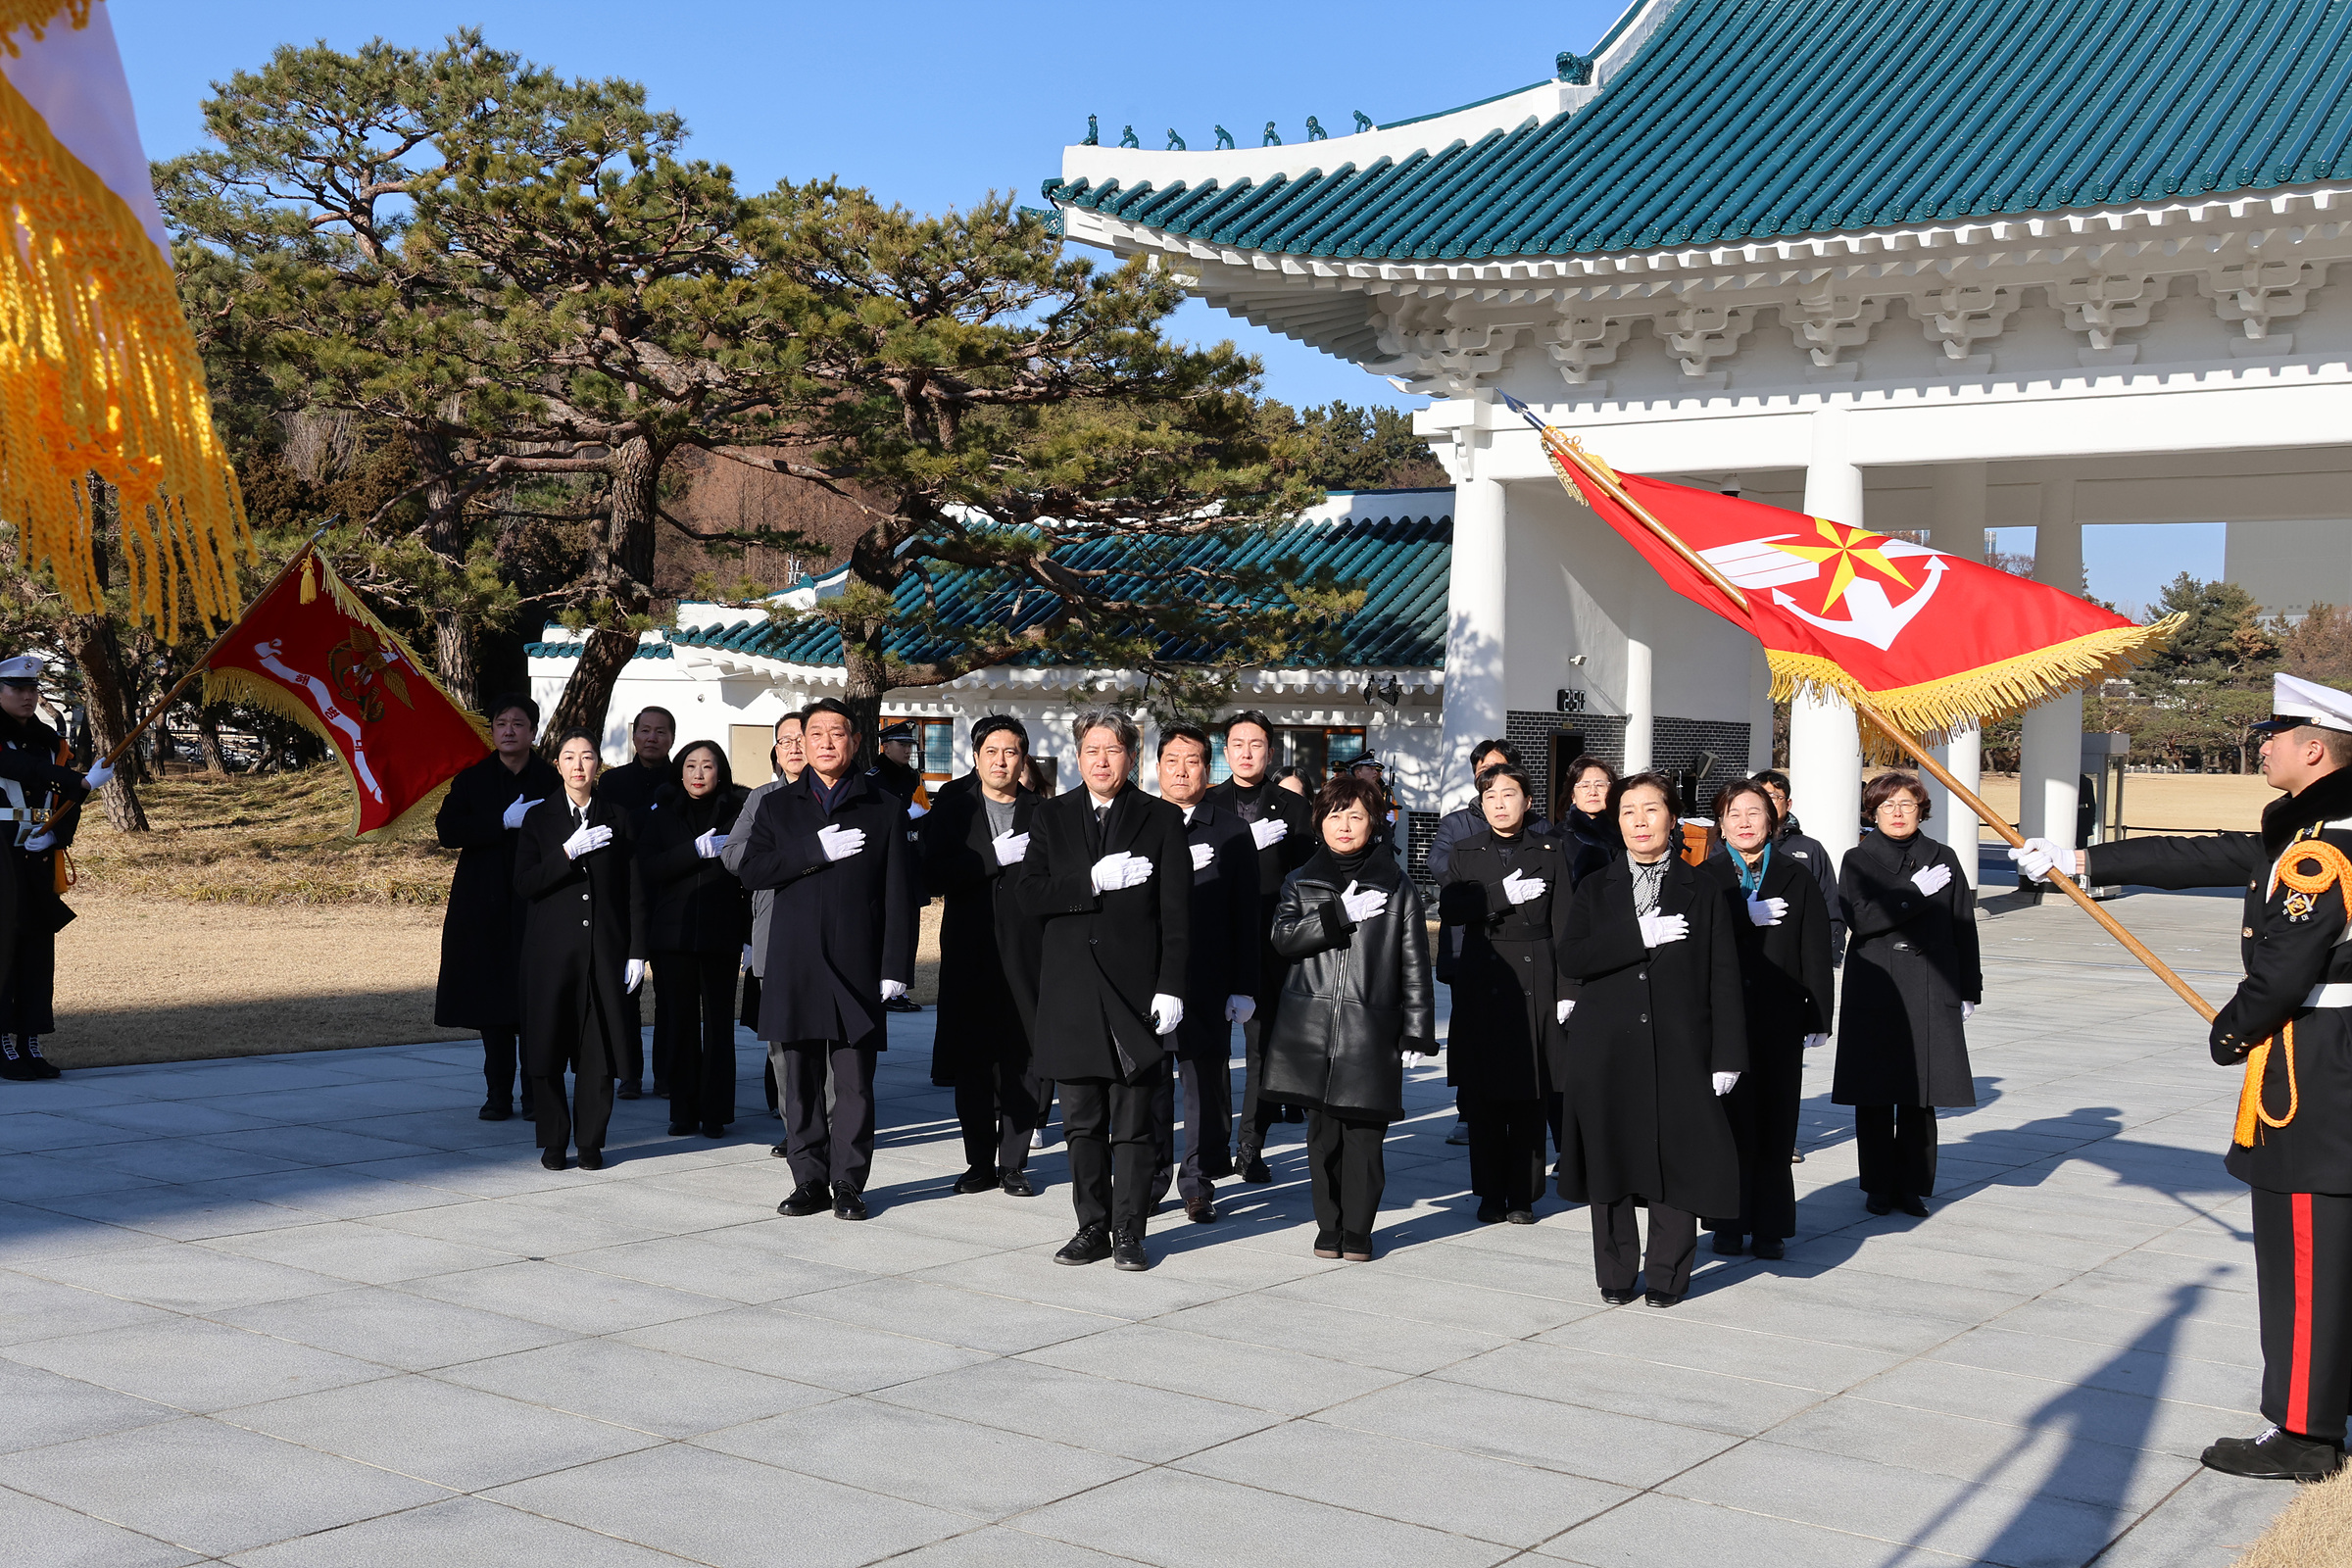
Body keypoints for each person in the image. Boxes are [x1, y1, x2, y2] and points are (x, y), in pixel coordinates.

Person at [2014, 673, 2352, 1483]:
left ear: (2314, 747)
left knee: (2308, 1249)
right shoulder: (2315, 829)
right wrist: (2082, 856)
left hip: (2319, 1061)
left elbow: (2287, 963)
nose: (2260, 743)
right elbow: (2207, 853)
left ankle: (2306, 1434)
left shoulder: (2325, 842)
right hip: (2329, 1051)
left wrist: (2235, 1028)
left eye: (2273, 733)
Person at [1557, 771, 1745, 1306]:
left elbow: (1723, 975)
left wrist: (1727, 1053)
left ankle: (1667, 1274)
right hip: (1607, 1046)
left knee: (1677, 1160)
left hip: (1680, 1045)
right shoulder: (1597, 886)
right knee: (1610, 1158)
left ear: (1673, 818)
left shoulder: (1702, 888)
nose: (1639, 821)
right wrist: (1637, 936)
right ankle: (1615, 1273)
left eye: (1651, 810)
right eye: (1627, 812)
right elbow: (1572, 957)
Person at [1016, 708, 1189, 1272]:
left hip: (1137, 994)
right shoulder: (1051, 816)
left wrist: (1171, 987)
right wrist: (1089, 881)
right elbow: (1030, 894)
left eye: (1113, 750)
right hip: (1070, 994)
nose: (1102, 760)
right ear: (1077, 755)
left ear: (1131, 757)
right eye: (1092, 750)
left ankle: (1130, 1229)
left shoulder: (1160, 819)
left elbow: (1177, 916)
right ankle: (1091, 1225)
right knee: (1081, 1122)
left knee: (1134, 1124)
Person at [737, 698, 920, 1222]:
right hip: (795, 962)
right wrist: (813, 851)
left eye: (836, 733)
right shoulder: (777, 806)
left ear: (855, 741)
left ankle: (848, 1182)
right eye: (814, 733)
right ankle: (808, 1180)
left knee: (855, 1082)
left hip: (857, 963)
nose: (824, 742)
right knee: (799, 1081)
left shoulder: (883, 806)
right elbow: (751, 870)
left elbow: (900, 895)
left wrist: (895, 969)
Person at [1263, 772, 1435, 1260]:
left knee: (1364, 1137)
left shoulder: (1397, 887)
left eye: (1356, 815)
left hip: (1369, 1027)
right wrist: (1338, 915)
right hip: (1309, 1027)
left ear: (1374, 824)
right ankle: (1328, 1224)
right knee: (1321, 1138)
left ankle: (1358, 1229)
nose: (1344, 825)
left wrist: (1417, 1031)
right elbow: (1283, 940)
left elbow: (1414, 963)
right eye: (1335, 814)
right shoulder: (1301, 880)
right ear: (1320, 821)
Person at [1833, 770, 1980, 1219]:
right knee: (1875, 1091)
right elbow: (1863, 919)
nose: (1897, 814)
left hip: (1933, 982)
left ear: (1921, 810)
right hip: (1878, 984)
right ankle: (1878, 1185)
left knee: (1922, 1091)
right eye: (1886, 806)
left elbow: (1963, 927)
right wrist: (1913, 893)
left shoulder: (1943, 856)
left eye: (1906, 805)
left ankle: (1913, 1184)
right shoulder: (1858, 859)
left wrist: (1968, 987)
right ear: (1873, 812)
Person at [1700, 778, 1836, 1258]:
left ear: (1772, 821)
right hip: (1724, 1016)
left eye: (1754, 813)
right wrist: (1742, 916)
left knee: (1777, 1120)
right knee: (1729, 1119)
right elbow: (1694, 945)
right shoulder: (1708, 875)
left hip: (1779, 1012)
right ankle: (1728, 1222)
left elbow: (1815, 946)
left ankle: (1771, 1226)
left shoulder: (1795, 875)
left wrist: (1819, 1010)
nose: (1744, 822)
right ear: (1721, 823)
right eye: (1734, 813)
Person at [1438, 761, 1576, 1224]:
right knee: (1483, 1092)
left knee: (1531, 1092)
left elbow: (1565, 923)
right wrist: (1499, 895)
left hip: (1536, 975)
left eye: (1509, 794)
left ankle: (1523, 1194)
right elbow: (1453, 908)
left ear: (1528, 801)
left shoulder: (1550, 850)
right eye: (1491, 796)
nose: (1500, 804)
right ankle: (1489, 1193)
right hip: (1482, 972)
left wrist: (1566, 988)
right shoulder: (1464, 850)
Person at [921, 714, 1049, 1197]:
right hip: (970, 953)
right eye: (991, 751)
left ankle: (1013, 1163)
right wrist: (993, 858)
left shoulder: (1044, 814)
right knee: (973, 1062)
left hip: (1027, 952)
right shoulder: (954, 810)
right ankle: (979, 1161)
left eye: (1011, 752)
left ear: (1023, 759)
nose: (1001, 761)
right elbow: (932, 876)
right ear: (975, 757)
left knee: (1022, 1059)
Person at [512, 728, 649, 1171]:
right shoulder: (538, 819)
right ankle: (554, 1140)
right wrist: (566, 852)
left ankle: (591, 1141)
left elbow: (635, 891)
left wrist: (636, 951)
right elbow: (525, 883)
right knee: (547, 1048)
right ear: (557, 765)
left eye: (587, 757)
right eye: (569, 757)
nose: (578, 765)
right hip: (551, 954)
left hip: (603, 952)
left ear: (598, 765)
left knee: (598, 1054)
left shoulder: (619, 816)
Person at [1150, 722, 1259, 1223]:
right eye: (1172, 760)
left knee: (1202, 1084)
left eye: (1191, 760)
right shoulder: (1140, 819)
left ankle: (1196, 1181)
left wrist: (1244, 985)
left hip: (1208, 978)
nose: (1181, 770)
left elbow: (1247, 915)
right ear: (1156, 766)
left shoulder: (1232, 828)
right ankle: (1150, 1177)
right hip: (1147, 977)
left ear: (1207, 768)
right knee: (1150, 1085)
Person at [433, 693, 563, 1119]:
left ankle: (535, 1095)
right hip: (483, 904)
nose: (509, 730)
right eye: (501, 723)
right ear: (492, 730)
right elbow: (448, 830)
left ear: (533, 731)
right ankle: (497, 1095)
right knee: (492, 1003)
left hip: (537, 902)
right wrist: (500, 822)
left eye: (518, 723)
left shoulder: (550, 780)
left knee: (534, 1002)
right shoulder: (472, 780)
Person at [1206, 710, 1314, 1183]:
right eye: (1237, 743)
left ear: (1270, 752)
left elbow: (1307, 879)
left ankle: (1251, 1143)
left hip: (1269, 942)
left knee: (1261, 1050)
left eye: (1256, 744)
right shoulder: (1207, 804)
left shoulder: (1292, 809)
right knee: (1208, 1050)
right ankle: (1210, 1143)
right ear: (1225, 751)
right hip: (1215, 938)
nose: (1246, 752)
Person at [639, 740, 751, 1140]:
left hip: (722, 933)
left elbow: (750, 876)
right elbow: (648, 868)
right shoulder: (662, 814)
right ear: (679, 772)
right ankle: (682, 1110)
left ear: (720, 772)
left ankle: (717, 1111)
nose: (699, 774)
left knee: (720, 1025)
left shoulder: (739, 814)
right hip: (674, 935)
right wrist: (693, 851)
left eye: (707, 766)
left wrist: (750, 936)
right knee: (680, 1023)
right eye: (691, 766)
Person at [0, 657, 100, 1082]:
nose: (27, 695)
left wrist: (57, 836)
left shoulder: (48, 740)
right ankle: (2, 1041)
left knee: (38, 948)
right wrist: (75, 780)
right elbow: (19, 770)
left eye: (32, 688)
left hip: (36, 851)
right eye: (16, 687)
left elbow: (64, 800)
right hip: (0, 850)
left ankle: (30, 1040)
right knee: (3, 946)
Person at [723, 709, 805, 1125]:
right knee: (780, 1042)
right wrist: (789, 857)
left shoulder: (841, 796)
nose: (793, 747)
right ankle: (795, 1129)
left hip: (825, 930)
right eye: (784, 740)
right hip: (774, 927)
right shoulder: (761, 798)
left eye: (800, 738)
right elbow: (733, 854)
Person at [597, 705, 675, 1100]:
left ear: (671, 739)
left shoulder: (683, 779)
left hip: (670, 896)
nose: (651, 738)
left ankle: (666, 1074)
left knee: (670, 993)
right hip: (623, 897)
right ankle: (627, 1073)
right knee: (624, 991)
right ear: (634, 736)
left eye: (660, 732)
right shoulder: (612, 785)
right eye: (645, 730)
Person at [1426, 740, 1554, 881]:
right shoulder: (1455, 823)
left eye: (1499, 768)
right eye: (1484, 770)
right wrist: (1494, 884)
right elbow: (1439, 865)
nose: (1492, 775)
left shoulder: (1540, 826)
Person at [1753, 769, 1845, 961]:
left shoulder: (1809, 848)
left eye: (1774, 796)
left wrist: (1831, 948)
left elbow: (1829, 901)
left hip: (1797, 950)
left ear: (1788, 804)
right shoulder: (1732, 846)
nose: (1768, 803)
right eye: (1760, 796)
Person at [1557, 755, 1624, 872]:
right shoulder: (1556, 839)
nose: (1593, 792)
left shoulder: (1627, 832)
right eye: (1585, 786)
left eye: (1600, 785)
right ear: (1573, 796)